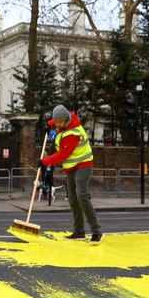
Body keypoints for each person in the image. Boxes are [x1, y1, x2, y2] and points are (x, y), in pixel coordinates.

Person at [39, 104, 103, 243]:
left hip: (83, 164)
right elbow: (57, 120)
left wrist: (44, 162)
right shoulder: (67, 118)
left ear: (66, 120)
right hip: (72, 167)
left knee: (81, 195)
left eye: (59, 122)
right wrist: (49, 125)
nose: (57, 124)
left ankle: (96, 231)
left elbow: (62, 155)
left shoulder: (72, 134)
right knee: (72, 199)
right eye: (55, 122)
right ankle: (79, 232)